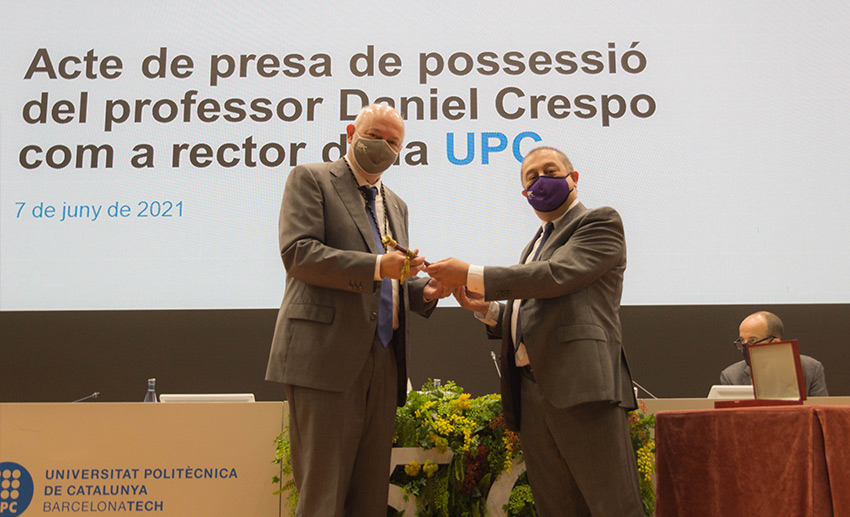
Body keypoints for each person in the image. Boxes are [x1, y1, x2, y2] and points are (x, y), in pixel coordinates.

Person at [425, 146, 643, 516]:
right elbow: (540, 309)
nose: (541, 180)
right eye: (532, 177)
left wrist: (471, 274)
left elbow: (555, 276)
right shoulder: (535, 244)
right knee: (556, 507)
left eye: (550, 171)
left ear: (573, 178)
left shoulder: (599, 222)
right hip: (531, 394)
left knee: (612, 505)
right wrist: (491, 310)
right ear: (525, 193)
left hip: (583, 388)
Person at [265, 104, 449, 516]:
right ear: (351, 133)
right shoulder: (311, 178)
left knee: (370, 496)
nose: (383, 146)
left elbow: (389, 280)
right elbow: (299, 253)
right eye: (374, 135)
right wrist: (378, 266)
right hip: (325, 355)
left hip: (384, 358)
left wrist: (424, 290)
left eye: (393, 142)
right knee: (324, 493)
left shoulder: (396, 204)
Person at [720, 311, 828, 396]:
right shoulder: (731, 376)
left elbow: (820, 412)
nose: (745, 346)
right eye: (742, 340)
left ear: (775, 343)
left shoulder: (810, 369)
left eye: (752, 340)